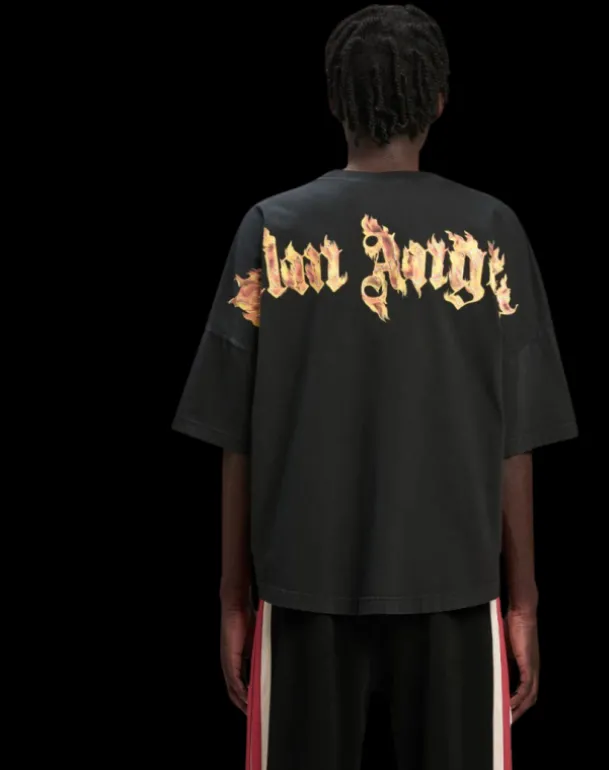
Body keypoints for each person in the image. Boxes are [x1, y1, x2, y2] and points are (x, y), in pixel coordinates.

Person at [172, 4, 578, 769]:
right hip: (457, 582)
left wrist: (232, 595)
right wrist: (522, 600)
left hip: (301, 580)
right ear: (439, 101)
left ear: (333, 100)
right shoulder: (491, 230)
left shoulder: (271, 228)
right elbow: (515, 440)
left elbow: (237, 438)